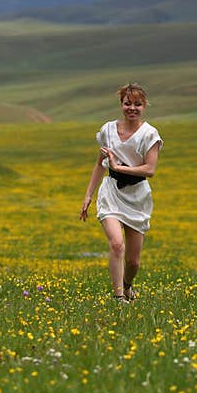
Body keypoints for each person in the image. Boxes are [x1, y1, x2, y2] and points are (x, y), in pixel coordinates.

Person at [80, 82, 163, 303]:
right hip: (111, 193)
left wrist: (119, 167)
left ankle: (127, 286)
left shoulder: (150, 134)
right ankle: (118, 299)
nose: (132, 108)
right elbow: (100, 164)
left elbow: (150, 169)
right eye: (127, 103)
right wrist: (89, 195)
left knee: (134, 262)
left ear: (144, 106)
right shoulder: (108, 130)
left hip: (137, 196)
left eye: (137, 104)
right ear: (121, 105)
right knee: (117, 244)